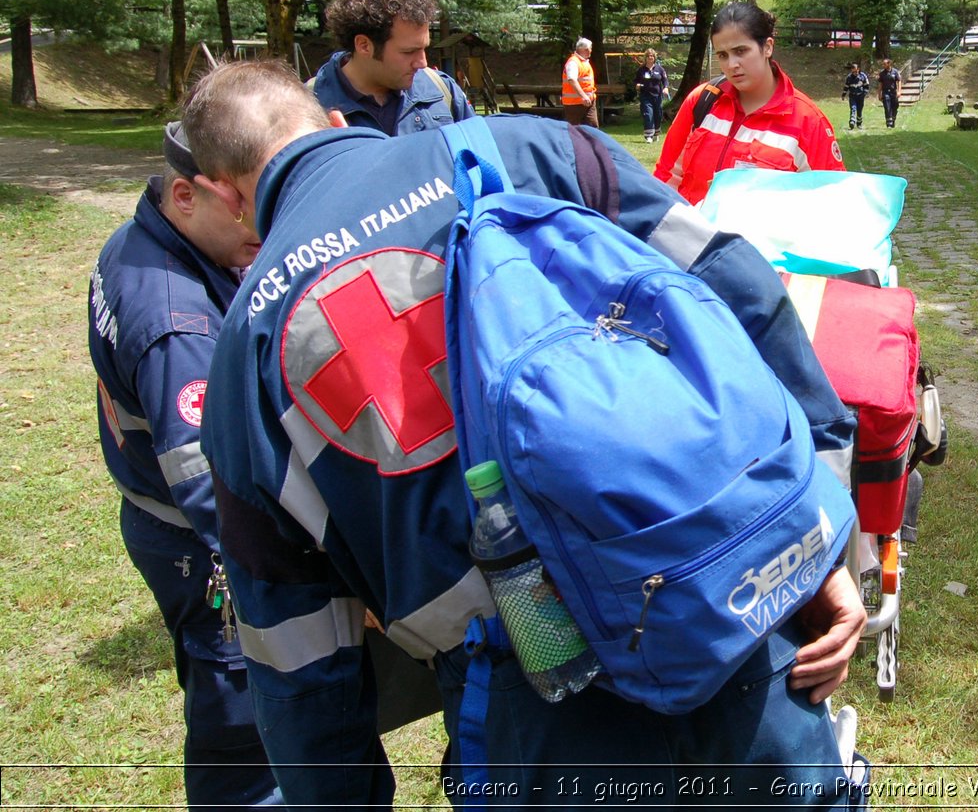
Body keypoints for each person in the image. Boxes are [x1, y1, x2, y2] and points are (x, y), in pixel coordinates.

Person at [182, 59, 865, 806]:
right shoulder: (539, 151)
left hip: (529, 695)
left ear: (225, 191)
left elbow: (298, 654)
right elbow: (743, 291)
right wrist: (820, 534)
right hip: (720, 598)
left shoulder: (242, 356)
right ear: (336, 122)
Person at [87, 122, 281, 810]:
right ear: (184, 195)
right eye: (247, 207)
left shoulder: (142, 240)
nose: (265, 225)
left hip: (156, 517)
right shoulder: (175, 321)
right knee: (243, 729)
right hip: (202, 546)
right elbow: (211, 489)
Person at [653, 1, 845, 205]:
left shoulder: (808, 122)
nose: (731, 65)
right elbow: (666, 177)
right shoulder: (703, 100)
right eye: (722, 55)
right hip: (690, 235)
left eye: (741, 51)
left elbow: (834, 204)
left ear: (768, 47)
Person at [308, 0, 473, 136]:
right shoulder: (306, 108)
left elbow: (480, 158)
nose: (422, 63)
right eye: (409, 52)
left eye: (424, 48)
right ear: (364, 45)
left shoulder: (442, 91)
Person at [633, 47, 669, 142]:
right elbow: (636, 81)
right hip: (645, 95)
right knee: (648, 114)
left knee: (658, 114)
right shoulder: (641, 70)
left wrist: (665, 88)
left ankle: (656, 133)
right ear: (646, 58)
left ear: (654, 57)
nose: (650, 57)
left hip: (657, 96)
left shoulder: (659, 69)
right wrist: (637, 85)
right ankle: (648, 136)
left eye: (652, 56)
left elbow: (665, 80)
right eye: (648, 56)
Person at [562, 36, 599, 127]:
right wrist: (583, 96)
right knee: (574, 131)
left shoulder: (584, 62)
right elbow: (572, 79)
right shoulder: (573, 62)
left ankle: (591, 142)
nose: (590, 50)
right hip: (574, 104)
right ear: (584, 50)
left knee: (593, 129)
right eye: (589, 48)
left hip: (589, 102)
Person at [841, 62, 870, 131]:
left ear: (858, 69)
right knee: (853, 108)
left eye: (856, 71)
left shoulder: (863, 76)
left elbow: (867, 86)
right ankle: (852, 121)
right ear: (851, 70)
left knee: (859, 110)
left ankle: (859, 123)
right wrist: (843, 95)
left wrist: (865, 93)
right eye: (853, 71)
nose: (855, 73)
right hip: (852, 96)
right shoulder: (849, 77)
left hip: (860, 96)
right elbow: (846, 87)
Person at [876, 57, 902, 129]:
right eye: (883, 64)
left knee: (895, 106)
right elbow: (880, 84)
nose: (883, 65)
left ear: (889, 64)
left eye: (884, 64)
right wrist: (879, 94)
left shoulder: (895, 72)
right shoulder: (882, 73)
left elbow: (899, 81)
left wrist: (899, 91)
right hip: (885, 92)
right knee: (887, 107)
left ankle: (893, 119)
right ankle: (889, 123)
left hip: (893, 92)